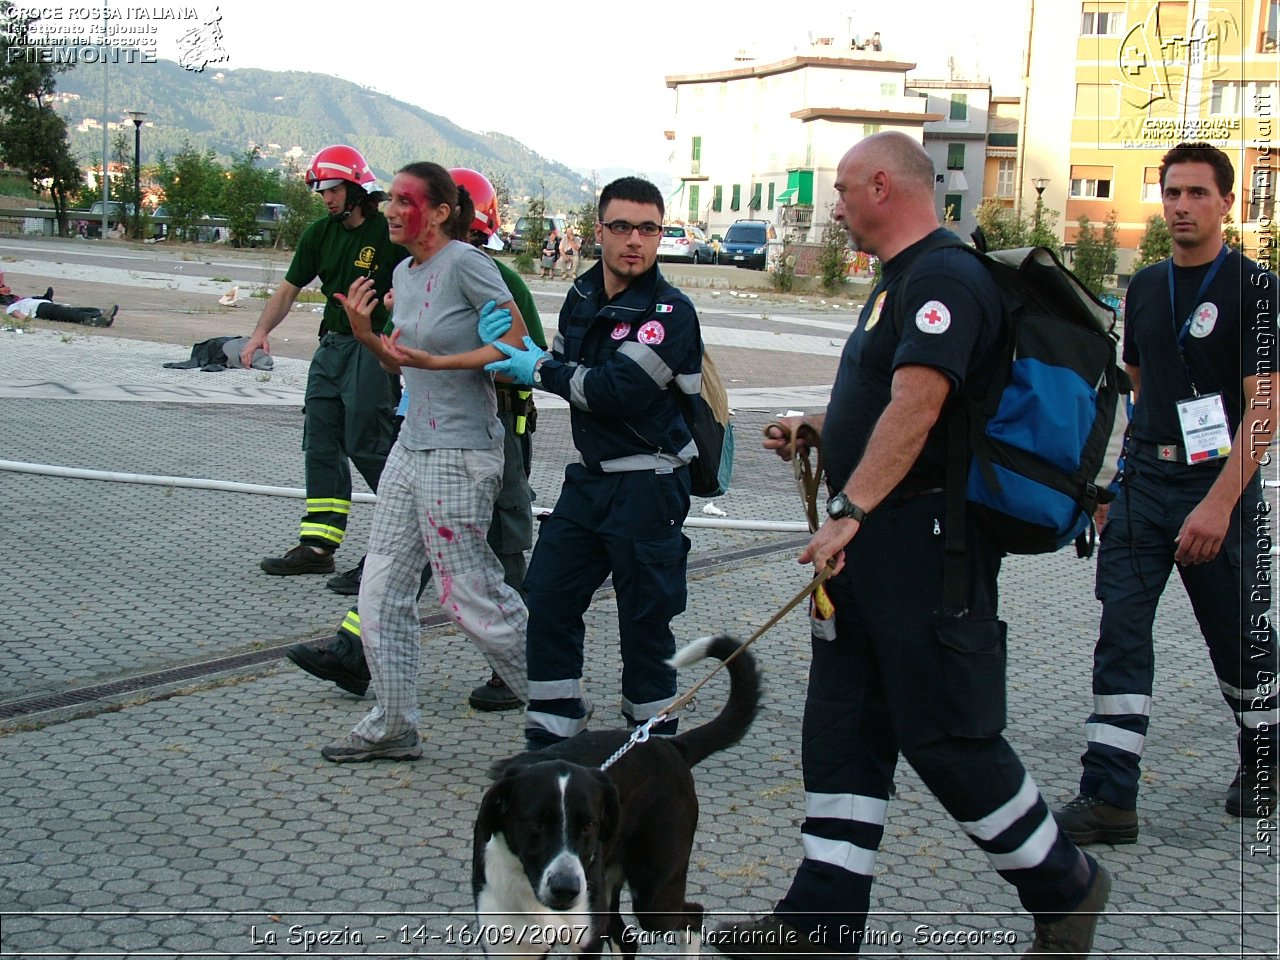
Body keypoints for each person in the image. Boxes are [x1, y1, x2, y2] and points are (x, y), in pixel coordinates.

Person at [708, 132, 1108, 957]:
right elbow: (893, 400)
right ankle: (821, 915)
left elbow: (921, 405)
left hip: (925, 545)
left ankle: (1064, 883)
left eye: (845, 190)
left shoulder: (943, 277)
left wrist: (848, 507)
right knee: (845, 725)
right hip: (876, 546)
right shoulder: (901, 281)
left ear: (884, 185)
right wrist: (819, 428)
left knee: (948, 737)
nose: (838, 206)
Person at [1053, 142, 1278, 843]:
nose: (1181, 206)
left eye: (1197, 194)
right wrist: (1115, 483)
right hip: (1146, 485)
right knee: (1119, 636)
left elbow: (1264, 411)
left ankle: (1265, 761)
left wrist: (1217, 505)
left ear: (1226, 204)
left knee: (1237, 642)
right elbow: (1140, 392)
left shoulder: (1254, 288)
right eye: (1172, 193)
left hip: (1220, 490)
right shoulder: (1147, 285)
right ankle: (1110, 796)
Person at [285, 168, 543, 715]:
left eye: (404, 201)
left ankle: (559, 714)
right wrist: (364, 335)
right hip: (413, 442)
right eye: (390, 201)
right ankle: (392, 724)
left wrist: (440, 362)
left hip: (461, 448)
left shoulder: (470, 266)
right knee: (380, 588)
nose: (389, 209)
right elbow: (402, 363)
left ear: (443, 212)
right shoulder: (403, 274)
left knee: (467, 592)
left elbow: (517, 349)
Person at [482, 176, 703, 751]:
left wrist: (538, 370)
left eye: (649, 229)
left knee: (644, 622)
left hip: (650, 484)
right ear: (598, 231)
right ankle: (555, 738)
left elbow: (615, 391)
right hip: (591, 481)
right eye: (623, 227)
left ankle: (652, 747)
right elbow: (562, 363)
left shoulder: (670, 312)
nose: (636, 240)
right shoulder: (582, 296)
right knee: (549, 599)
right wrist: (520, 352)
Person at [240, 145, 406, 582]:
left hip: (372, 347)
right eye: (321, 191)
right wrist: (260, 333)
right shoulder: (319, 233)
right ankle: (319, 545)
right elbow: (289, 288)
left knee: (368, 442)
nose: (327, 198)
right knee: (321, 442)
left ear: (356, 188)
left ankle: (407, 545)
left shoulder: (387, 232)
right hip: (331, 347)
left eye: (332, 189)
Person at [6, 297, 116, 327]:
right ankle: (94, 320)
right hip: (41, 310)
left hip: (48, 306)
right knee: (69, 314)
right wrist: (26, 318)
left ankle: (100, 314)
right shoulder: (12, 306)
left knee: (73, 311)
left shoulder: (28, 299)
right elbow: (19, 315)